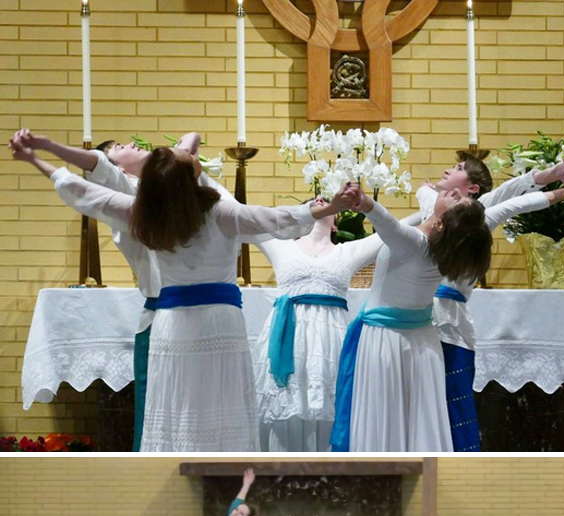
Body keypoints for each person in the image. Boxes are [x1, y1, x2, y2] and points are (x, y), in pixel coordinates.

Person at [12, 137, 355, 450]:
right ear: (190, 178)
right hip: (219, 323)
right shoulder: (220, 212)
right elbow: (274, 219)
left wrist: (35, 158)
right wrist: (330, 206)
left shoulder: (144, 213)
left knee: (177, 405)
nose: (192, 153)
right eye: (188, 157)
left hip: (172, 323)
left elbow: (82, 194)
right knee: (221, 403)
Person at [10, 127, 231, 450]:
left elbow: (192, 137)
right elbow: (91, 168)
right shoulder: (131, 194)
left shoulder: (175, 186)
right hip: (163, 319)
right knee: (159, 413)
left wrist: (174, 157)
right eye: (118, 149)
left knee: (205, 409)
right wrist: (46, 146)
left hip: (205, 319)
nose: (130, 143)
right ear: (118, 170)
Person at [409, 154, 564, 450]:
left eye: (456, 170)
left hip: (450, 324)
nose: (447, 170)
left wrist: (560, 185)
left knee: (456, 403)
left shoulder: (479, 214)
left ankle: (460, 458)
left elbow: (515, 198)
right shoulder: (435, 212)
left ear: (473, 190)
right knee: (421, 401)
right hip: (420, 323)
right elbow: (425, 193)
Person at [330, 183, 492, 453]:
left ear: (442, 224)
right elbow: (427, 196)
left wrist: (366, 203)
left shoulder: (416, 243)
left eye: (458, 201)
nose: (455, 193)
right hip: (423, 344)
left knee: (385, 415)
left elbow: (388, 225)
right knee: (419, 419)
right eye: (461, 194)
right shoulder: (447, 245)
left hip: (386, 342)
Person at [254, 198, 381, 451]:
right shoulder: (280, 246)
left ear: (335, 224)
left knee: (329, 403)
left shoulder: (348, 252)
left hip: (329, 341)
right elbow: (245, 216)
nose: (320, 202)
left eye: (327, 202)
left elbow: (393, 231)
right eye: (313, 202)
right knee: (285, 403)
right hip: (287, 337)